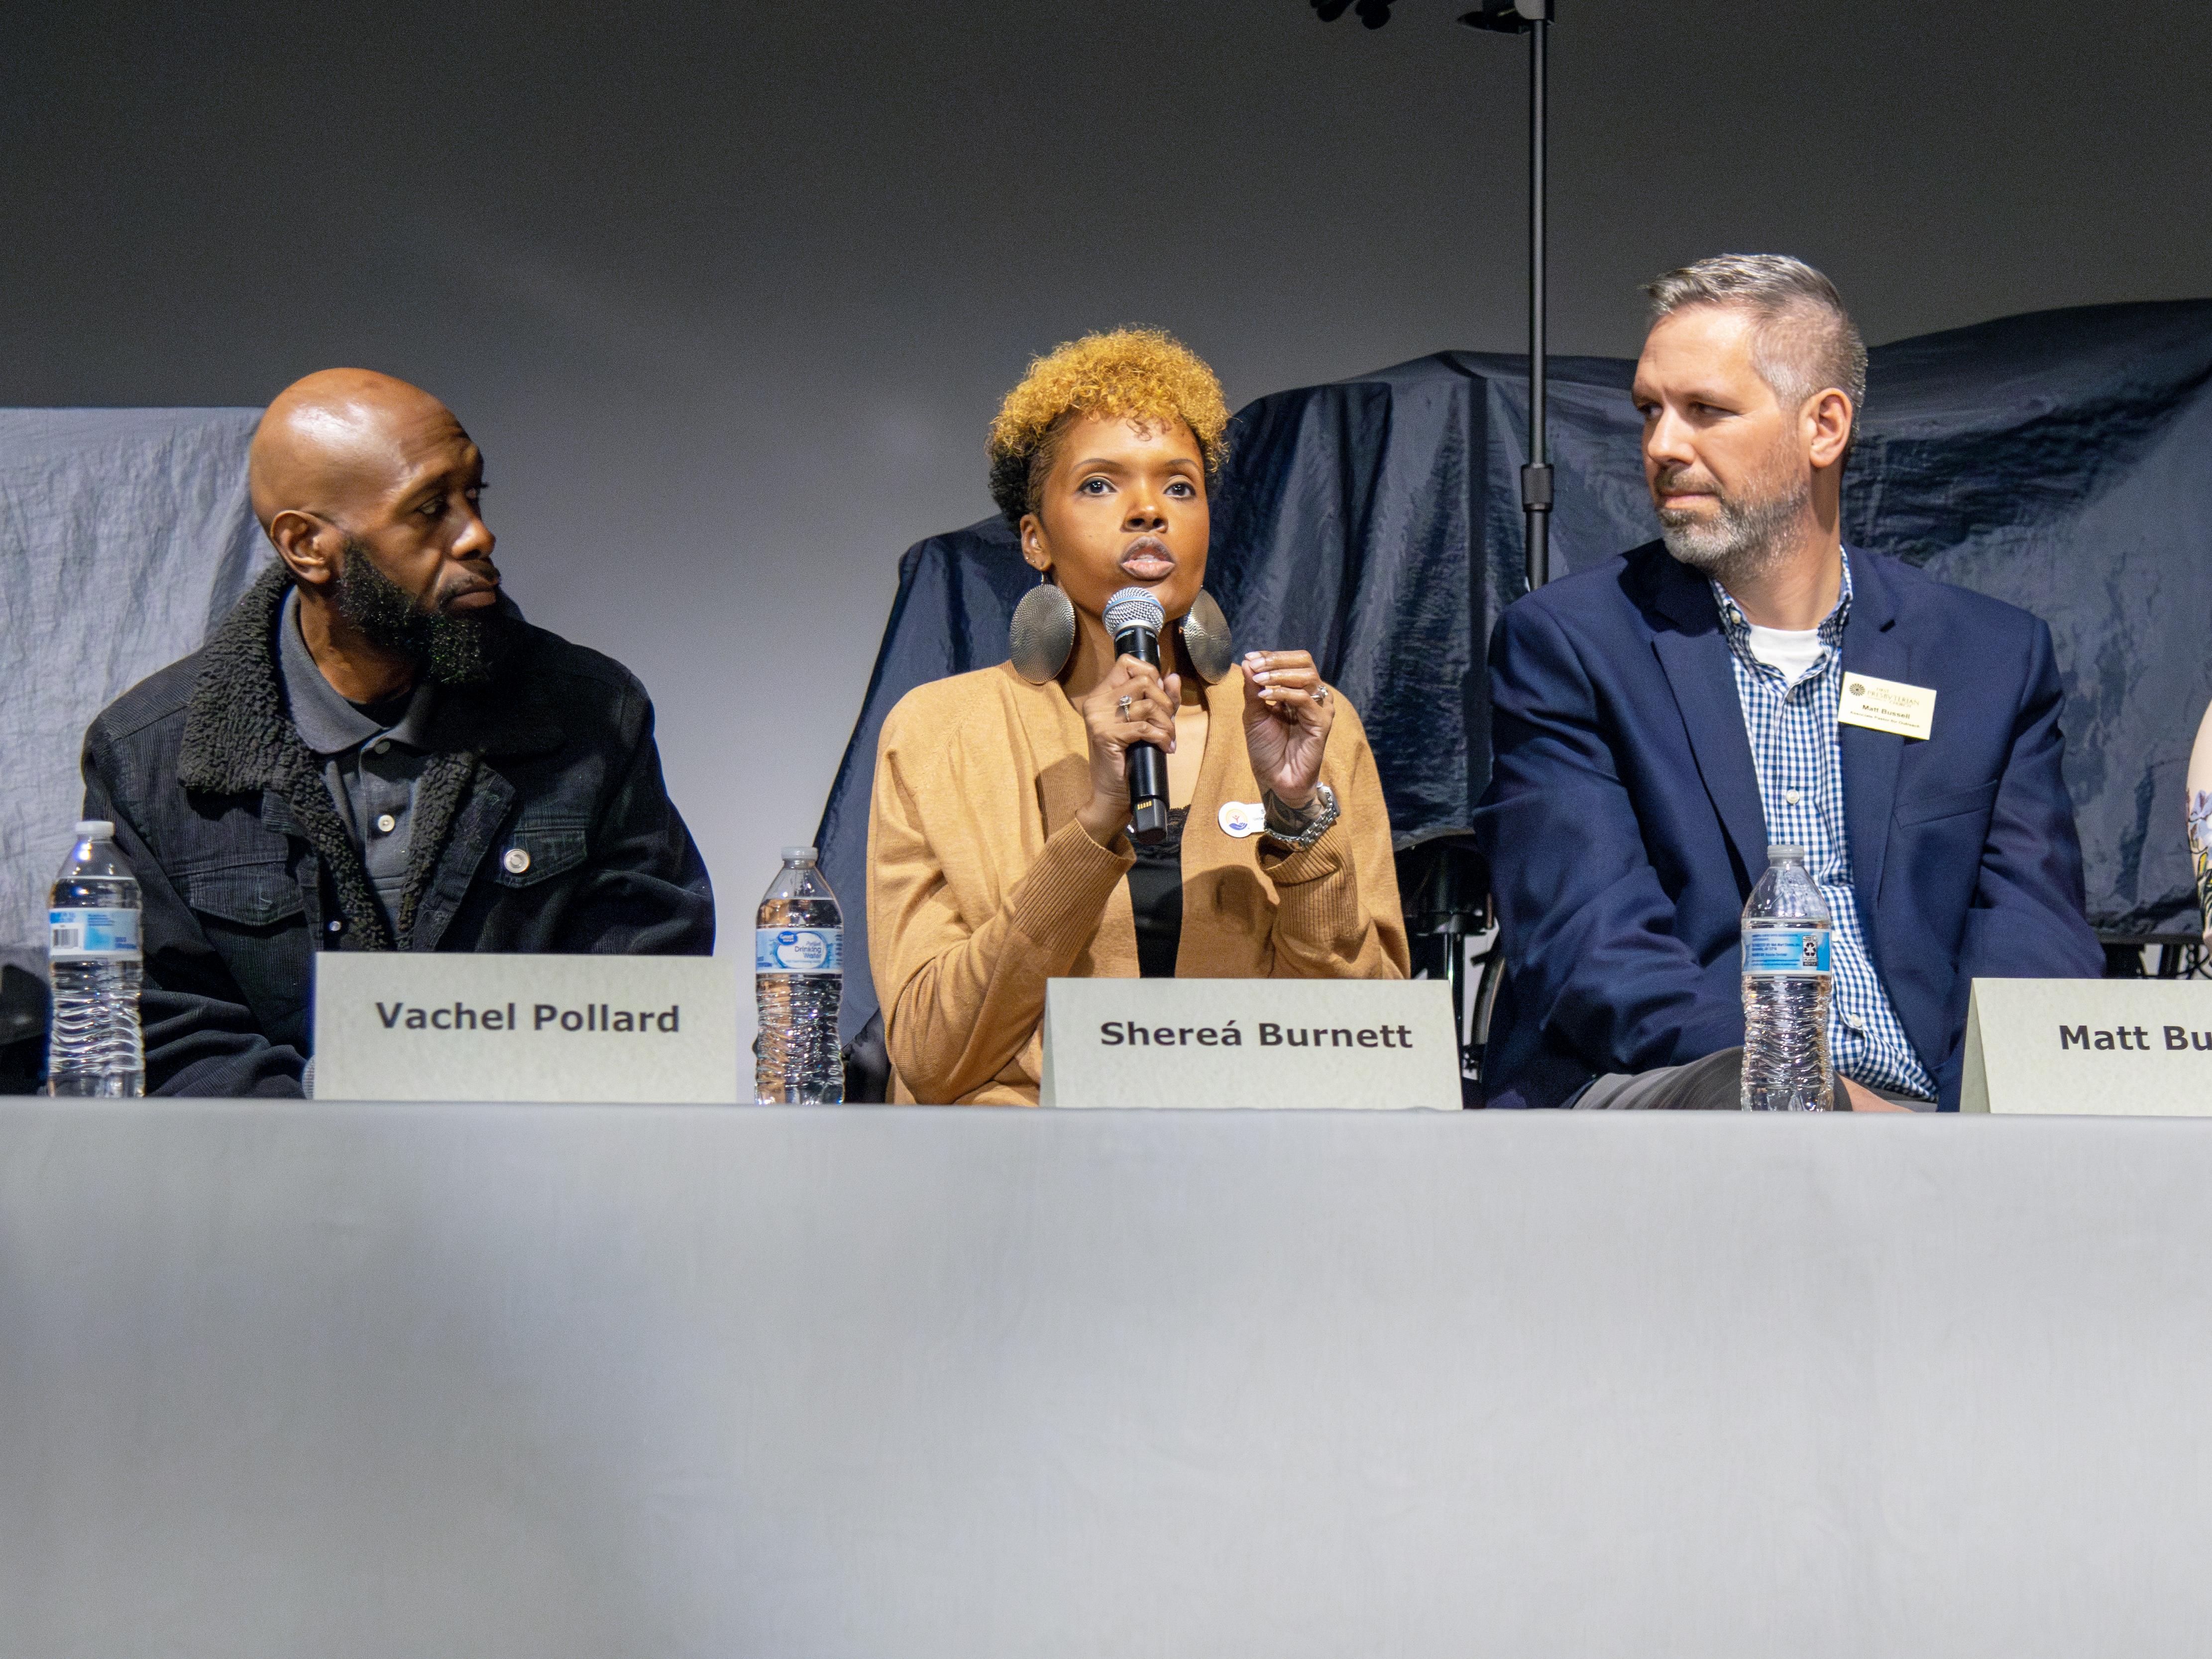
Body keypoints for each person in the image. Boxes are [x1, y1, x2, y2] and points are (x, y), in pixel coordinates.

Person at [1475, 256, 2102, 1112]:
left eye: (1705, 411)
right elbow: (1598, 956)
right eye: (1650, 411)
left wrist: (1966, 1137)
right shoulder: (1570, 646)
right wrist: (1827, 1102)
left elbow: (2034, 946)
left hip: (1930, 1122)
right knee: (1742, 1101)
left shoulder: (1988, 658)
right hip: (1678, 1089)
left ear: (1825, 427)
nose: (1662, 446)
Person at [80, 368, 713, 1097]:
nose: (479, 534)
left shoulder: (591, 714)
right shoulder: (149, 757)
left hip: (528, 1186)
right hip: (268, 1191)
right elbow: (163, 1032)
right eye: (427, 510)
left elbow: (645, 990)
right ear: (308, 546)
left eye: (473, 495)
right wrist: (340, 1164)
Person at [867, 328, 1407, 1105]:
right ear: (1035, 539)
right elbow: (930, 1052)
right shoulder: (937, 735)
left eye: (1180, 487)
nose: (1149, 510)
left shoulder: (1309, 721)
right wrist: (1093, 828)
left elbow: (1371, 1046)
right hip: (1019, 1184)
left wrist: (1297, 820)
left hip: (1247, 1175)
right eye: (1099, 485)